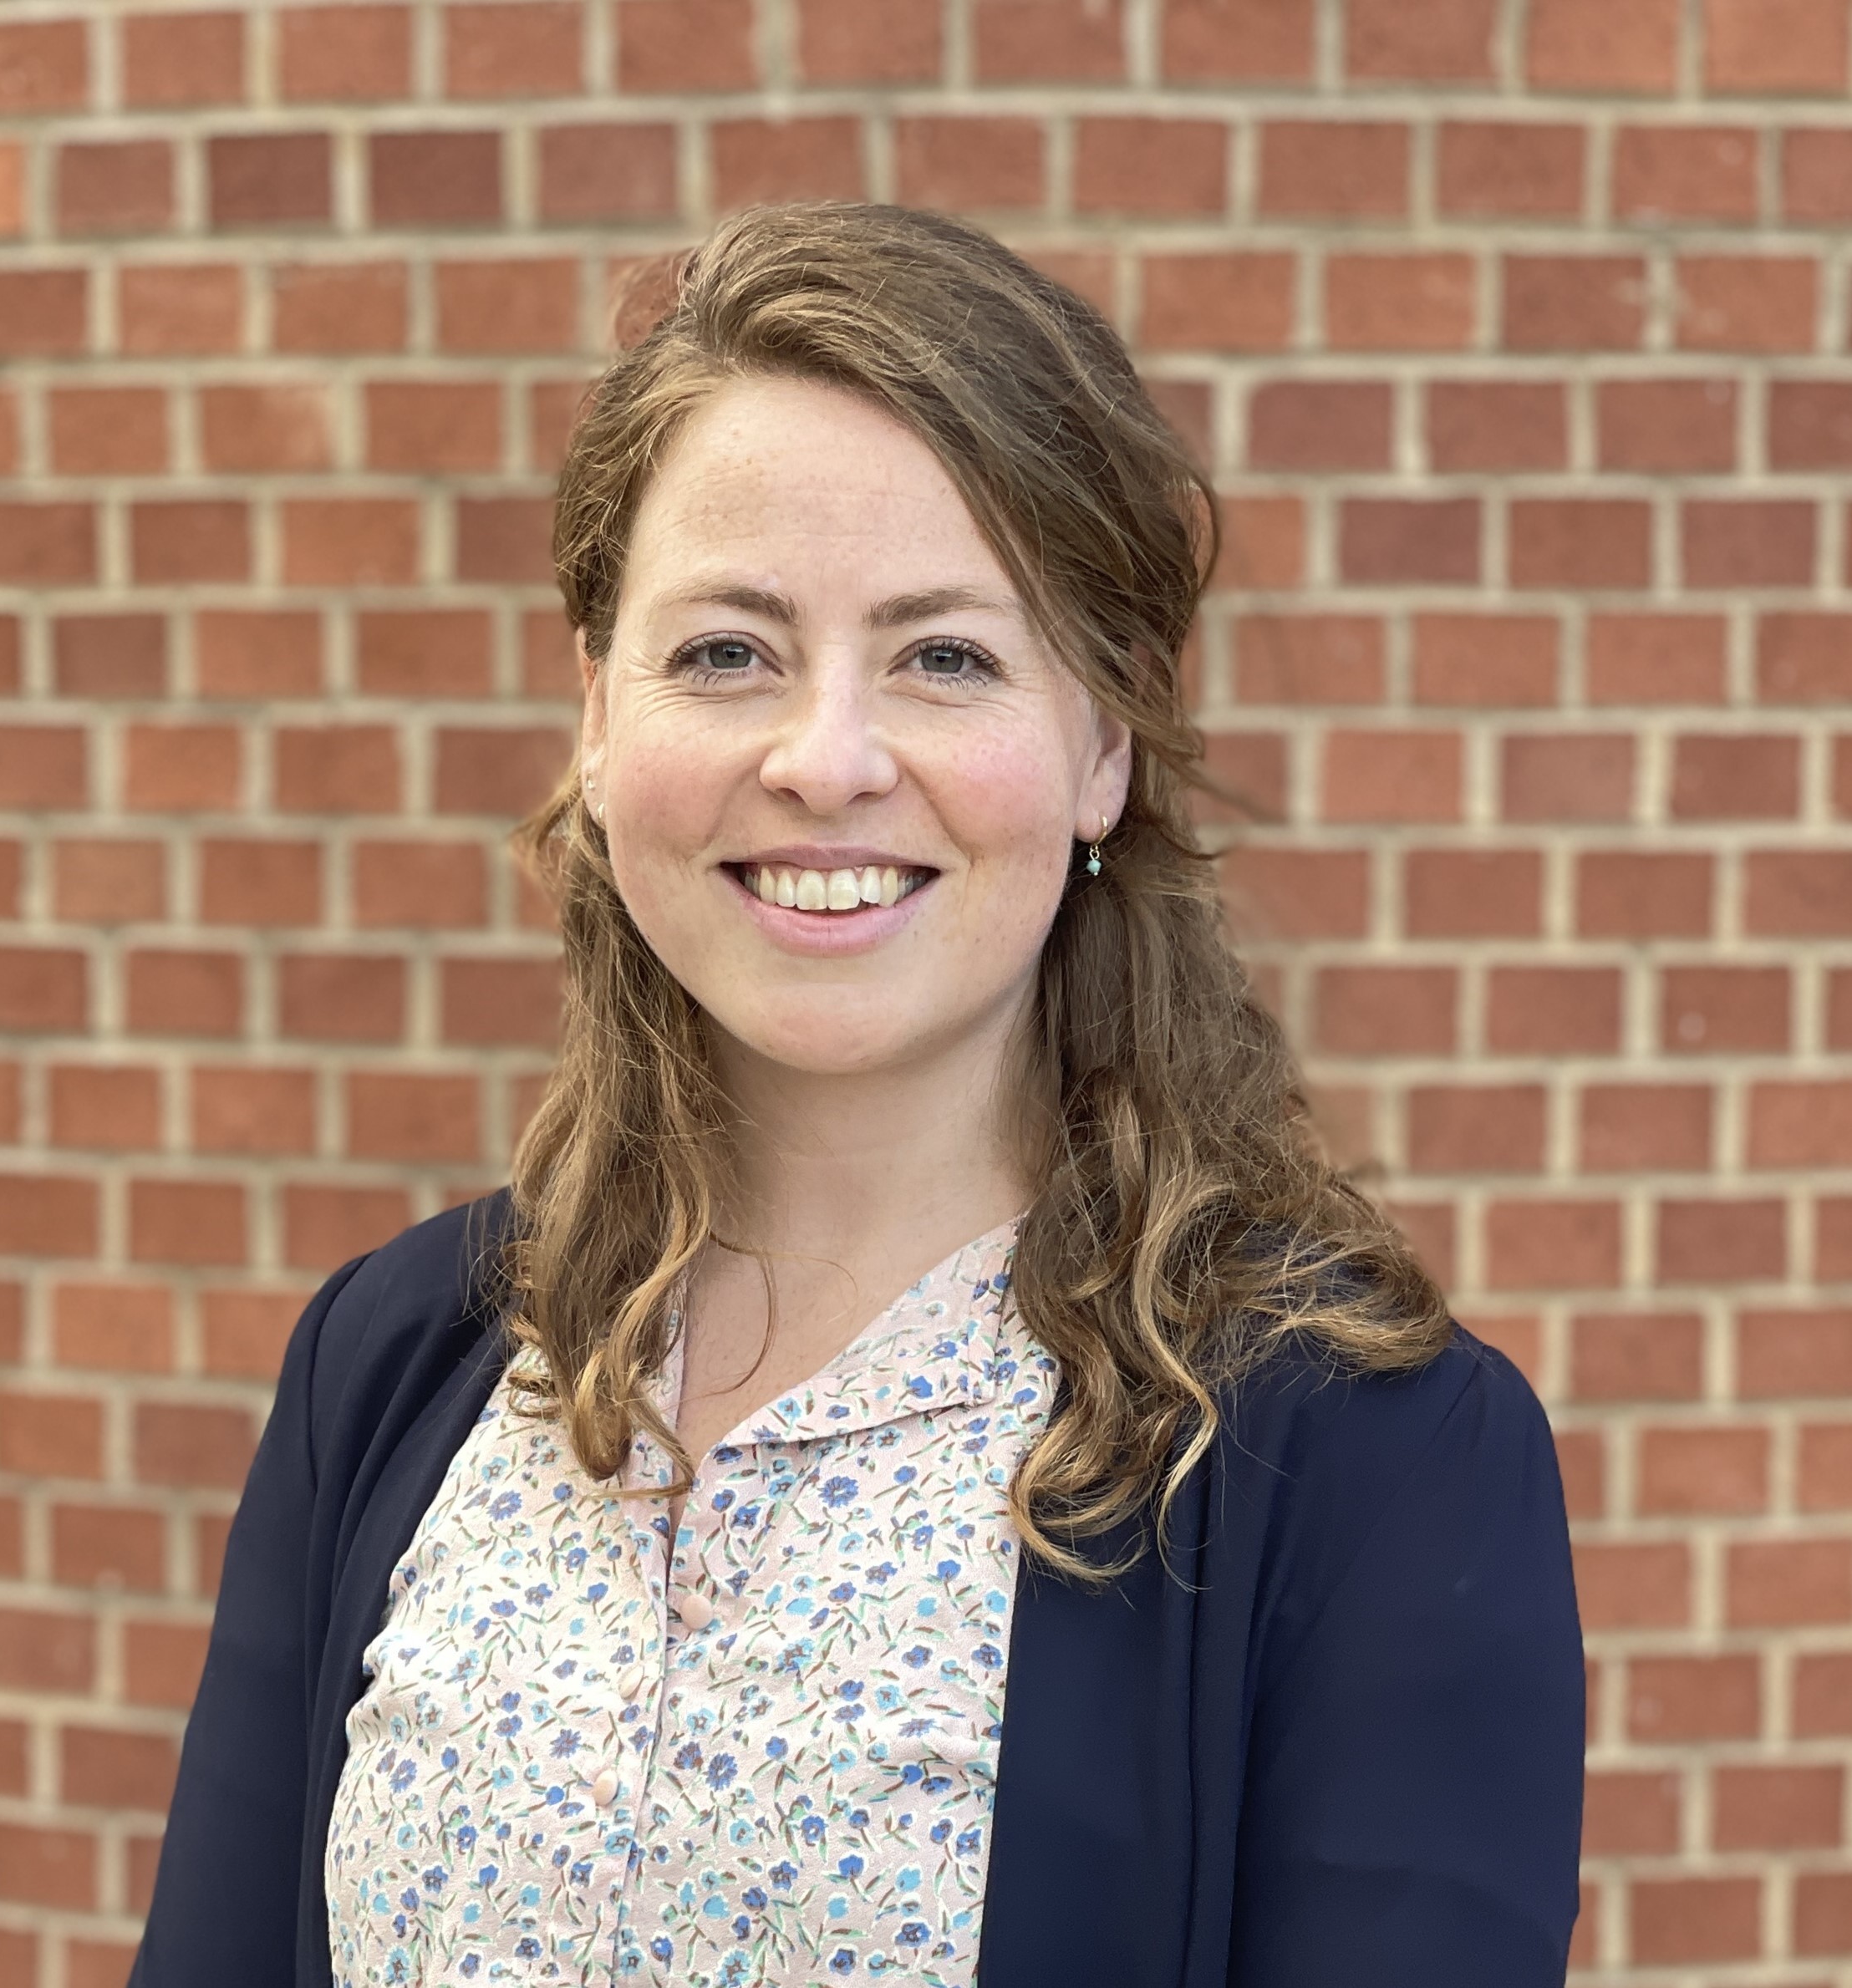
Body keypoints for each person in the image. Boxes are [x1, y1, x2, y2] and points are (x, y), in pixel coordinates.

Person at [130, 201, 1585, 1988]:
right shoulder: (394, 1364)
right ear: (598, 719)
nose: (823, 757)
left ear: (1102, 744)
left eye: (944, 654)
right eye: (725, 650)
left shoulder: (1366, 1458)